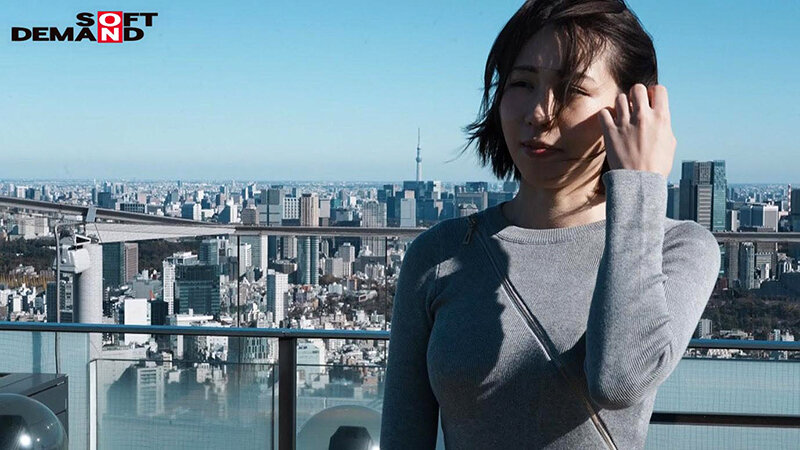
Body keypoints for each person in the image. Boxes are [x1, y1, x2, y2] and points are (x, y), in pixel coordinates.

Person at [379, 0, 721, 449]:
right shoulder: (438, 254)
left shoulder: (677, 247)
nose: (539, 112)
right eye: (522, 83)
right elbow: (403, 436)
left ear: (636, 108)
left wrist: (639, 184)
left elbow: (619, 380)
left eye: (573, 89)